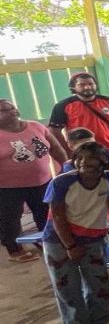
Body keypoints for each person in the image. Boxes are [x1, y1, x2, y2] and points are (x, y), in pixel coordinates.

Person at [41, 141, 109, 324]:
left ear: (103, 161)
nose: (86, 163)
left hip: (94, 238)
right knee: (67, 286)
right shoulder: (61, 182)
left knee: (99, 281)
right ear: (74, 161)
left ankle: (101, 317)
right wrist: (69, 245)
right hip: (59, 240)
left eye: (93, 159)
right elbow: (58, 215)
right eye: (81, 159)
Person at [0, 98, 64, 263]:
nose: (11, 112)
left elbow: (56, 148)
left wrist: (66, 167)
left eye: (12, 108)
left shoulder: (36, 126)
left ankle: (47, 241)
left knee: (45, 213)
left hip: (42, 181)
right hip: (8, 187)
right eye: (4, 110)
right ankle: (15, 249)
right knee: (10, 218)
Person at [49, 73, 109, 155]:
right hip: (83, 152)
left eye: (91, 84)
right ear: (73, 87)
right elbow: (55, 131)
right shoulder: (62, 106)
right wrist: (67, 150)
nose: (87, 87)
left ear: (95, 85)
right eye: (81, 84)